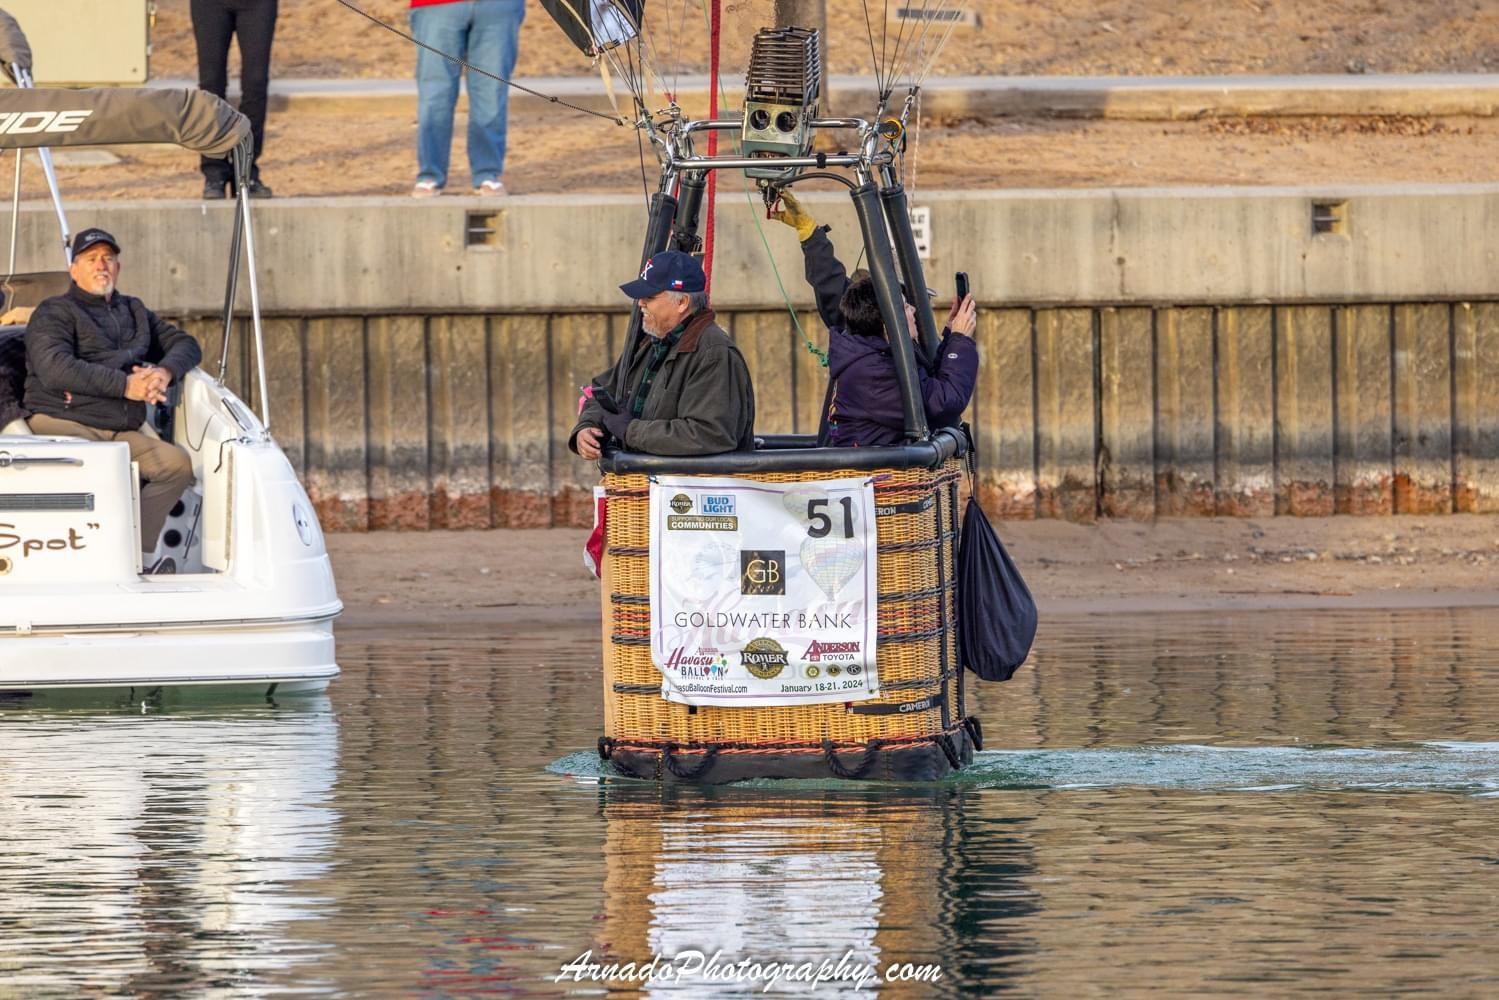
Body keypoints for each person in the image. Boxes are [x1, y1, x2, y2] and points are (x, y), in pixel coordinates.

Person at [23, 229, 202, 562]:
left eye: (108, 258)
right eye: (91, 259)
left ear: (118, 267)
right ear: (74, 270)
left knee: (176, 466)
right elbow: (55, 368)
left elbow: (186, 344)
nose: (101, 265)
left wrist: (163, 374)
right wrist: (126, 386)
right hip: (62, 420)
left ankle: (138, 556)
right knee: (106, 469)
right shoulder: (54, 312)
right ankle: (90, 557)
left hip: (119, 427)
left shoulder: (134, 311)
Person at [772, 191, 979, 447]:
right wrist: (959, 341)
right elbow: (941, 404)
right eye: (906, 307)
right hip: (870, 483)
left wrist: (811, 235)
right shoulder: (876, 373)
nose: (914, 310)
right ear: (887, 324)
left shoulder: (869, 342)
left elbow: (831, 286)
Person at [570, 250, 755, 459]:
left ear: (682, 302)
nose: (641, 303)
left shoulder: (714, 354)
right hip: (657, 485)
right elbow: (604, 391)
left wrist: (631, 431)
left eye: (650, 296)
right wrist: (587, 427)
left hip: (689, 489)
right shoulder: (652, 341)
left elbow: (710, 434)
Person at [409, 0, 526, 198]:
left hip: (499, 7)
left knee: (491, 91)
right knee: (435, 93)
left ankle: (487, 173)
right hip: (435, 6)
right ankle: (430, 175)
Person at [193, 0, 279, 199]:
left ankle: (246, 171)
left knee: (255, 83)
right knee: (211, 84)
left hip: (258, 6)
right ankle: (214, 172)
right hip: (209, 6)